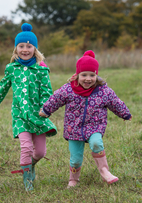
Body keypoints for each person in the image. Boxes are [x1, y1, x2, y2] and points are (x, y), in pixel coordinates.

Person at [39, 50, 132, 188]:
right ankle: (73, 180)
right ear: (77, 75)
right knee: (76, 159)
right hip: (74, 128)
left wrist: (124, 113)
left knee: (96, 143)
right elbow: (56, 99)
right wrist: (46, 110)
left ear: (96, 75)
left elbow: (115, 102)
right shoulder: (69, 89)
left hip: (95, 126)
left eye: (92, 75)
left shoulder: (103, 91)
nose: (88, 79)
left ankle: (105, 171)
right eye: (84, 75)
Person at [0, 23, 57, 191]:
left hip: (38, 116)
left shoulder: (41, 70)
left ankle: (30, 165)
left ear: (35, 49)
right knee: (25, 147)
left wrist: (46, 109)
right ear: (16, 48)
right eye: (21, 46)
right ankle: (28, 182)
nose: (25, 49)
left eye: (29, 46)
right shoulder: (12, 69)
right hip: (20, 116)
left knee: (40, 152)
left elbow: (47, 92)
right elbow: (2, 88)